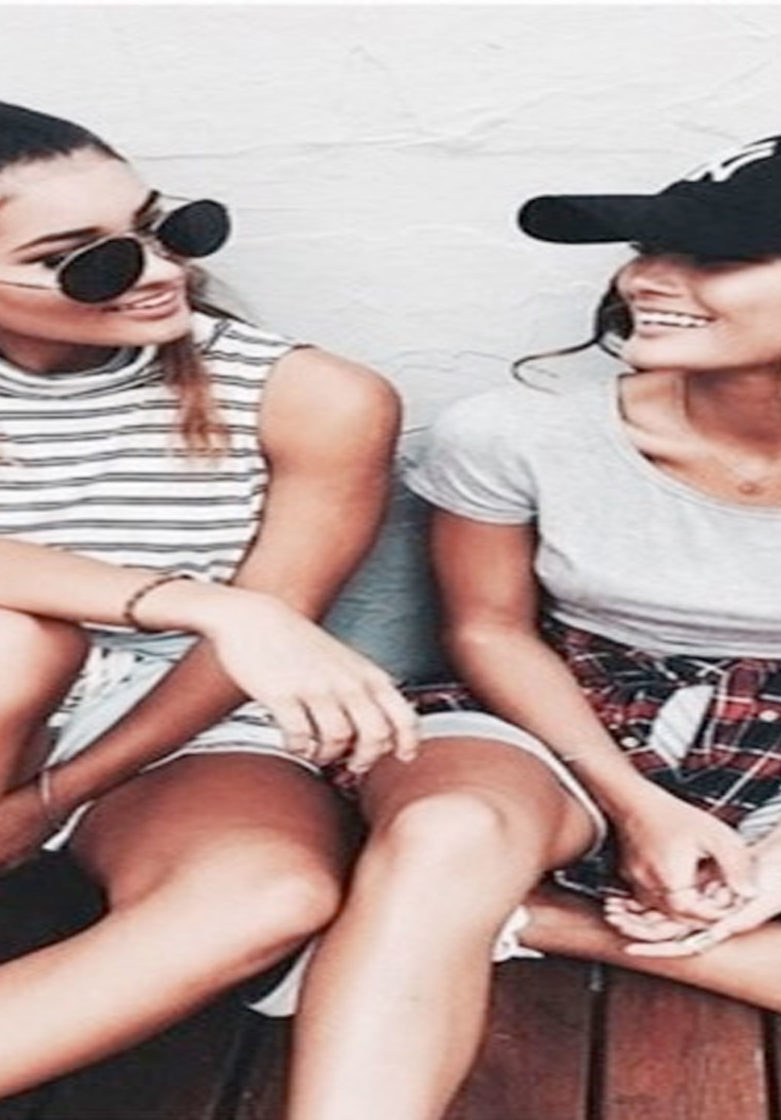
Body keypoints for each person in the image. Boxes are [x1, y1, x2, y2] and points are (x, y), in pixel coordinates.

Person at [282, 132, 781, 1120]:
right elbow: (490, 632)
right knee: (447, 834)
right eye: (650, 248)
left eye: (712, 255)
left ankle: (547, 920)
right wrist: (636, 805)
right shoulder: (516, 433)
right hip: (566, 715)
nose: (647, 280)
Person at [0, 101, 419, 1098]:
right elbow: (240, 620)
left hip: (180, 715)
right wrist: (206, 601)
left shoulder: (311, 395)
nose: (158, 271)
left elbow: (257, 646)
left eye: (162, 228)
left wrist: (55, 796)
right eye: (83, 260)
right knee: (22, 646)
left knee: (269, 894)